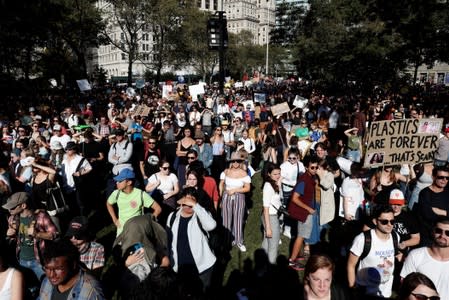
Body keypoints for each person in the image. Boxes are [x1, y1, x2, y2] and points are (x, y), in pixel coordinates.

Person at [166, 187, 217, 292]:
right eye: (185, 201)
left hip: (202, 268)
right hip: (179, 267)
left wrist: (195, 206)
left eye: (191, 201)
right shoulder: (172, 217)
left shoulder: (202, 215)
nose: (188, 205)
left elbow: (211, 226)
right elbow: (168, 240)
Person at [3, 192, 58, 282]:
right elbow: (16, 240)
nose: (9, 210)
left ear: (23, 205)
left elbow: (55, 234)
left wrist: (38, 234)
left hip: (39, 261)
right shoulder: (12, 219)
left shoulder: (41, 216)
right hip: (21, 260)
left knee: (47, 284)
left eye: (12, 207)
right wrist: (10, 236)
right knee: (30, 288)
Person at [347, 206, 399, 299]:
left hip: (385, 292)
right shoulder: (362, 239)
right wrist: (352, 288)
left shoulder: (396, 237)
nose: (389, 225)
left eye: (392, 221)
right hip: (365, 293)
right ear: (375, 221)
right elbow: (351, 265)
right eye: (384, 222)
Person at [400, 216, 449, 300]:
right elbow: (404, 286)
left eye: (448, 233)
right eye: (438, 231)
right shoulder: (416, 255)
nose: (442, 235)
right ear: (433, 232)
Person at [39, 238, 105, 299]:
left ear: (73, 265)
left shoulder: (91, 292)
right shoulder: (46, 282)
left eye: (58, 269)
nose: (51, 275)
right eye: (47, 268)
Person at [107, 168, 161, 236]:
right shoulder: (116, 193)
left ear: (129, 182)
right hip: (122, 233)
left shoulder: (141, 194)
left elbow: (158, 209)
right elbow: (109, 203)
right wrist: (114, 219)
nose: (117, 183)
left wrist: (148, 222)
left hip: (137, 233)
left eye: (120, 181)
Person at [288, 155, 320, 269]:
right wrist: (309, 209)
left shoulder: (309, 177)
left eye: (316, 167)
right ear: (306, 167)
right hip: (305, 214)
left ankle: (296, 255)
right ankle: (292, 261)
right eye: (312, 167)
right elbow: (295, 198)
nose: (315, 170)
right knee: (301, 236)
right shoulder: (304, 180)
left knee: (301, 235)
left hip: (306, 213)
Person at [219, 151, 251, 252]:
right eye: (234, 161)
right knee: (226, 219)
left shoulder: (243, 173)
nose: (236, 163)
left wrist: (235, 190)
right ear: (231, 162)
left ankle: (239, 241)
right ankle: (226, 241)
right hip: (226, 196)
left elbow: (247, 188)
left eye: (238, 161)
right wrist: (221, 195)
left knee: (238, 218)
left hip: (239, 197)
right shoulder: (226, 171)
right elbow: (221, 184)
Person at [413, 166, 449, 246]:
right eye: (441, 177)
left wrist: (442, 212)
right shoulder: (425, 193)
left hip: (446, 236)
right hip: (428, 236)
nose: (444, 180)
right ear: (433, 177)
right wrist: (446, 214)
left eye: (447, 178)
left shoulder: (447, 193)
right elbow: (427, 215)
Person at [60, 141, 92, 217]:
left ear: (74, 150)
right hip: (66, 185)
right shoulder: (64, 159)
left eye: (69, 149)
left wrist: (80, 173)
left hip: (77, 186)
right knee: (71, 204)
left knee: (80, 204)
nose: (67, 151)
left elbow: (89, 168)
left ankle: (83, 219)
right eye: (66, 149)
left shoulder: (81, 159)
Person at [145, 160, 179, 225]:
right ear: (160, 168)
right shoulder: (155, 176)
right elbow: (147, 189)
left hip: (169, 198)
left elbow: (176, 189)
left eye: (169, 168)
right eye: (165, 168)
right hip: (158, 198)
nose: (167, 170)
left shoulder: (172, 176)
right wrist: (156, 185)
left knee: (169, 217)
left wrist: (169, 194)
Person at [261, 163, 282, 264]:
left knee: (267, 242)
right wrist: (268, 227)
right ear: (269, 174)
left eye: (279, 173)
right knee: (273, 246)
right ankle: (271, 270)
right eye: (275, 174)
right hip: (270, 217)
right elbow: (265, 208)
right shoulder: (268, 186)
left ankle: (261, 267)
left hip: (271, 216)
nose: (278, 176)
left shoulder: (274, 183)